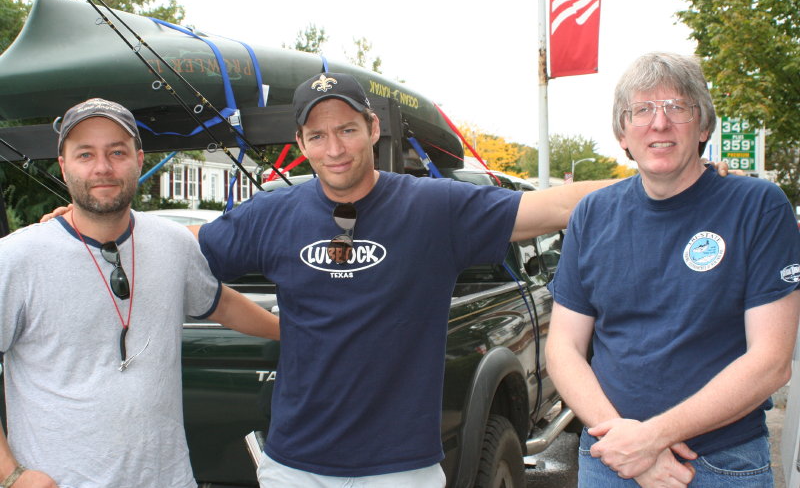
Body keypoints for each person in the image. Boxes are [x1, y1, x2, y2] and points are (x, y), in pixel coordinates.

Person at [193, 72, 616, 487]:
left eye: (347, 130)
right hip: (294, 468)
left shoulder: (432, 208)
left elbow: (556, 206)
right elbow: (185, 250)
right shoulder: (270, 214)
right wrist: (274, 326)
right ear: (301, 144)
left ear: (373, 128)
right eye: (317, 136)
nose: (334, 149)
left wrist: (648, 183)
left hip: (400, 470)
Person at [545, 52, 800, 488]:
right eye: (642, 109)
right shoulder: (592, 214)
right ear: (622, 133)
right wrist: (626, 445)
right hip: (608, 458)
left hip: (721, 463)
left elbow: (771, 363)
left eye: (677, 107)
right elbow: (563, 348)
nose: (659, 123)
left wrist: (652, 438)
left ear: (703, 127)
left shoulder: (758, 207)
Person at [0, 98, 280, 488]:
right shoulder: (15, 258)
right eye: (85, 154)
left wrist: (296, 332)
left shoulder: (172, 242)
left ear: (139, 159)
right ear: (63, 166)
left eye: (117, 152)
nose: (102, 167)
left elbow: (221, 303)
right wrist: (12, 474)